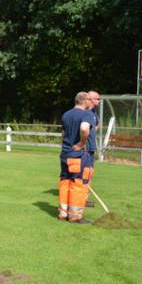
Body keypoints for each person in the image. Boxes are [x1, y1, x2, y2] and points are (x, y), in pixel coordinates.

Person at [57, 92, 94, 224]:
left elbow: (63, 134)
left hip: (65, 153)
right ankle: (75, 216)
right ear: (84, 101)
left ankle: (63, 213)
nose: (91, 102)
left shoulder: (66, 114)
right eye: (89, 99)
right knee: (78, 183)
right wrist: (82, 143)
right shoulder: (87, 114)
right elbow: (84, 129)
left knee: (65, 181)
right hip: (77, 155)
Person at [85, 90, 101, 207]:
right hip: (84, 147)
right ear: (90, 99)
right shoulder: (84, 112)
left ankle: (85, 196)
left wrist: (93, 131)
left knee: (90, 172)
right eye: (97, 99)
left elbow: (98, 124)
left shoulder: (94, 112)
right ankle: (82, 198)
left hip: (91, 147)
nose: (99, 101)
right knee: (85, 173)